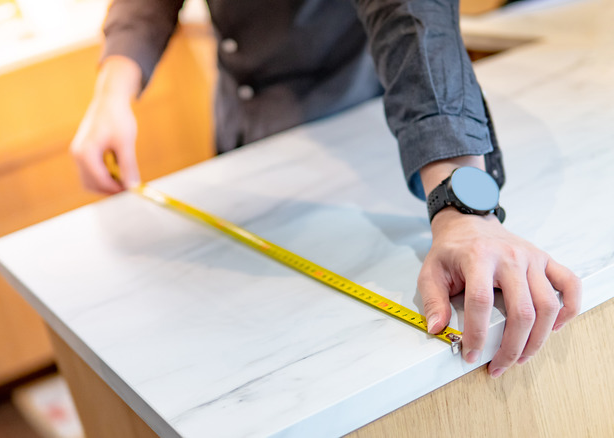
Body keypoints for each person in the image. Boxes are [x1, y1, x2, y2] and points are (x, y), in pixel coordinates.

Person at [70, 0, 581, 378]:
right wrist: (114, 86)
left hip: (361, 126)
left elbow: (410, 13)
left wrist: (460, 208)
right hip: (241, 130)